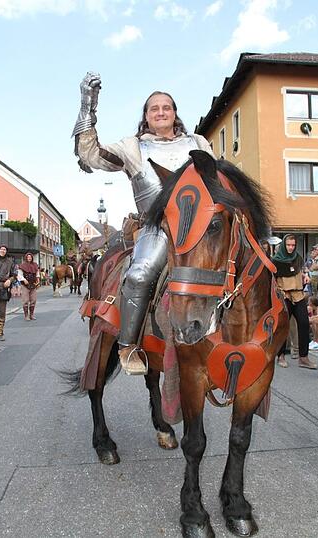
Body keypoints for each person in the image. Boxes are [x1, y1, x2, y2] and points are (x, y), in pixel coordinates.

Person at [73, 71, 215, 375]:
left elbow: (214, 183)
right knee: (139, 274)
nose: (161, 112)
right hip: (158, 228)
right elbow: (90, 155)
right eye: (154, 108)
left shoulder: (199, 142)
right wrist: (88, 105)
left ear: (175, 113)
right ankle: (128, 346)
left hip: (198, 227)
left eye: (166, 107)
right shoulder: (133, 147)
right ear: (146, 117)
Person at [271, 234, 317, 369]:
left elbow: (298, 271)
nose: (291, 247)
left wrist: (305, 276)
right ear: (284, 245)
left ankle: (304, 358)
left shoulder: (298, 258)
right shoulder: (276, 261)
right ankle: (280, 356)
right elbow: (272, 280)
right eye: (288, 245)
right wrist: (280, 292)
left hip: (299, 295)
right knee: (283, 327)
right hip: (285, 296)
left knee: (304, 323)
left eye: (293, 245)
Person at [17, 252, 41, 321]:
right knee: (25, 300)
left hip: (33, 284)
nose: (29, 258)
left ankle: (32, 315)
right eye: (28, 257)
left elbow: (37, 273)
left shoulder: (35, 265)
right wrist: (24, 280)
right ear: (26, 258)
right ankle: (26, 316)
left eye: (30, 257)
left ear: (32, 258)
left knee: (33, 300)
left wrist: (38, 280)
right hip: (25, 285)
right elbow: (19, 275)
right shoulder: (22, 265)